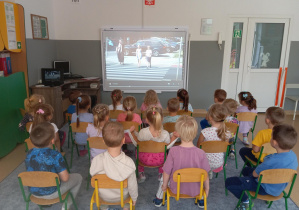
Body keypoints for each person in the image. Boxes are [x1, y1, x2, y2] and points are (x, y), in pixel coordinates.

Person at [226, 124, 298, 210]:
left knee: (230, 182)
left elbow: (254, 174)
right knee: (245, 170)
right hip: (278, 189)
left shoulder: (270, 161)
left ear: (274, 142)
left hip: (263, 188)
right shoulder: (294, 157)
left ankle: (245, 202)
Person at [153, 116, 210, 208]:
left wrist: (164, 186)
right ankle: (201, 199)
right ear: (195, 133)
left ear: (178, 134)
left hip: (176, 189)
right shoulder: (201, 153)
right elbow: (205, 174)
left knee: (164, 176)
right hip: (195, 189)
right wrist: (206, 189)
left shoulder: (173, 151)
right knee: (200, 174)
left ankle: (159, 198)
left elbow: (166, 172)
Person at [25, 122, 82, 210]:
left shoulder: (29, 153)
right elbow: (65, 178)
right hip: (52, 193)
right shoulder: (55, 155)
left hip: (34, 192)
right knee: (78, 177)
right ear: (52, 140)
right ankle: (65, 206)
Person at [90, 122, 138, 210]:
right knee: (128, 200)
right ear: (123, 141)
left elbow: (93, 176)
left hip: (103, 196)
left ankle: (104, 207)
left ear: (103, 141)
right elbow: (132, 185)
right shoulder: (129, 162)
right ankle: (126, 207)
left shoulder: (96, 160)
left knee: (101, 194)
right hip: (122, 197)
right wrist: (134, 198)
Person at [133, 106, 172, 183]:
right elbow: (167, 145)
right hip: (160, 160)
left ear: (146, 120)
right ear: (162, 119)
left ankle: (141, 173)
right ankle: (161, 174)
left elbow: (138, 143)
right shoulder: (165, 134)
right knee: (164, 152)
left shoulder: (142, 132)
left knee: (137, 149)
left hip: (143, 159)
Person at [197, 104, 231, 179]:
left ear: (210, 117)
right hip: (219, 162)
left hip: (205, 163)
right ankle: (210, 170)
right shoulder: (227, 132)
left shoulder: (205, 132)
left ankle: (208, 171)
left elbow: (198, 147)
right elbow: (226, 148)